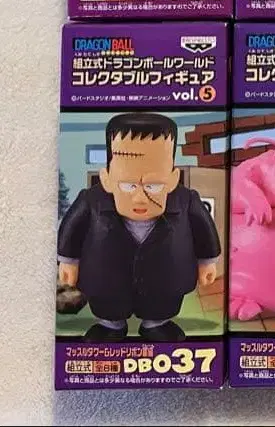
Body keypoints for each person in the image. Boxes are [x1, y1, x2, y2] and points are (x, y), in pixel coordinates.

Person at [57, 113, 221, 342]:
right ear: (106, 178)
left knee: (162, 300)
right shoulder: (90, 201)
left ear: (173, 179)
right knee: (107, 300)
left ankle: (157, 323)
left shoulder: (186, 201)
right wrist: (68, 261)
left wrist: (207, 261)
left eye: (153, 186)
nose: (140, 198)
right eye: (128, 185)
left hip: (165, 274)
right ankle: (110, 325)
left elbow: (204, 230)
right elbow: (72, 229)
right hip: (107, 274)